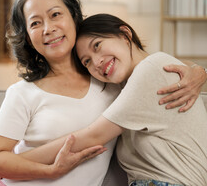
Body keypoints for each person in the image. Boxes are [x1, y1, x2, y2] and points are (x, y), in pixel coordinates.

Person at [0, 0, 207, 186]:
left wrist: (198, 71)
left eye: (56, 14)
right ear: (28, 37)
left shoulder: (109, 80)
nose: (48, 28)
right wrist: (47, 170)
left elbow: (154, 67)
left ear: (73, 18)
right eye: (35, 23)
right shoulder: (23, 93)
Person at [20, 13, 207, 185]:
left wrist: (13, 163)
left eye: (97, 45)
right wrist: (200, 70)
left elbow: (91, 136)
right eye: (87, 62)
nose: (97, 62)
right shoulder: (126, 84)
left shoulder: (150, 70)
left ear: (125, 35)